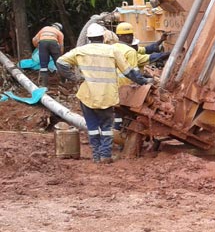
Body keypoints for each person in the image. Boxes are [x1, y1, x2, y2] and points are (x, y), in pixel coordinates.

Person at [56, 23, 152, 164]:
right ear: (102, 37)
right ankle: (105, 155)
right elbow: (129, 72)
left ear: (89, 38)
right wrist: (145, 81)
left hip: (87, 95)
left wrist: (75, 78)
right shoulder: (112, 51)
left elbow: (60, 62)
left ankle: (96, 156)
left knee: (92, 127)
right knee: (107, 127)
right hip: (107, 95)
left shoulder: (80, 51)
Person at [32, 22, 64, 87]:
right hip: (54, 44)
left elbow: (34, 39)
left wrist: (37, 47)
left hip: (42, 44)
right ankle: (63, 80)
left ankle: (44, 85)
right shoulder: (59, 33)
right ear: (59, 28)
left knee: (43, 65)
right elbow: (61, 45)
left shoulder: (44, 28)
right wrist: (60, 54)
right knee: (58, 63)